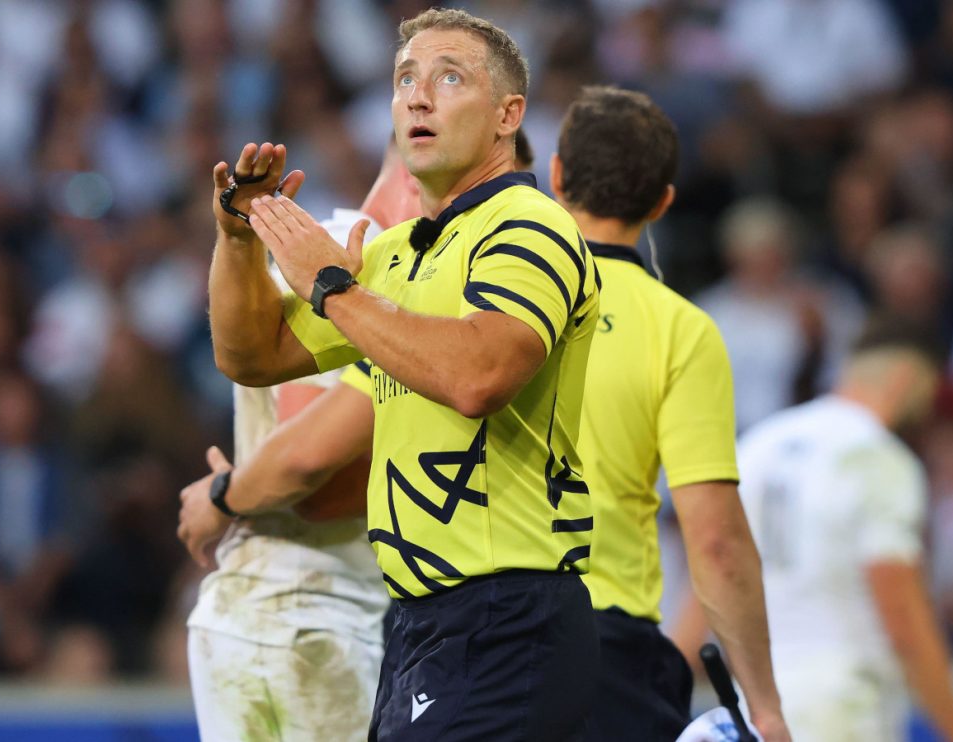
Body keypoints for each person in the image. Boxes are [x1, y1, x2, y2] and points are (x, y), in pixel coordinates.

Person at [199, 8, 601, 739]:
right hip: (421, 623)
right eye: (405, 80)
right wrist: (237, 239)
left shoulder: (529, 226)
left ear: (509, 113)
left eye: (450, 78)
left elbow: (481, 375)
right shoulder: (395, 256)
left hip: (507, 613)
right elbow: (250, 356)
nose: (418, 96)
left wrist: (335, 289)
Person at [548, 87, 788, 742]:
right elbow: (714, 538)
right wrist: (762, 703)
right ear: (662, 201)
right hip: (601, 649)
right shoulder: (680, 330)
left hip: (459, 643)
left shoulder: (476, 297)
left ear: (558, 176)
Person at [180, 139, 420, 742]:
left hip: (277, 618)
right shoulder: (347, 257)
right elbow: (309, 465)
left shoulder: (362, 251)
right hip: (305, 619)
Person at [735, 321, 953, 742]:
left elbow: (716, 563)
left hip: (756, 702)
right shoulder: (878, 457)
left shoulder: (759, 444)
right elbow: (902, 613)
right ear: (906, 377)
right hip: (844, 702)